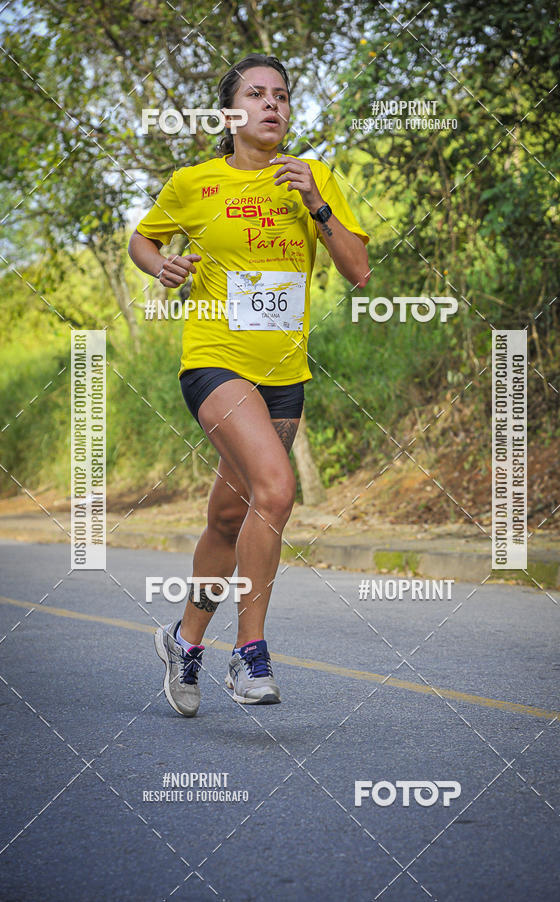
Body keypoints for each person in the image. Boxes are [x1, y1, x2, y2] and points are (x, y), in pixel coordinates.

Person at [128, 53, 370, 717]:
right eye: (257, 94)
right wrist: (163, 266)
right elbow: (142, 240)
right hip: (214, 362)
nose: (273, 105)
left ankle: (184, 641)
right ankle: (251, 654)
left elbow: (359, 272)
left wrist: (317, 206)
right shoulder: (194, 183)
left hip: (284, 377)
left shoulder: (313, 179)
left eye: (282, 96)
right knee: (276, 487)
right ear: (232, 113)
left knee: (231, 515)